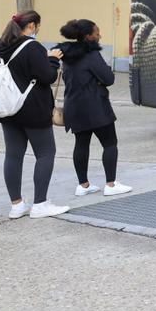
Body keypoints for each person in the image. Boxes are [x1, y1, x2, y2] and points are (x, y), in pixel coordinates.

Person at [0, 11, 68, 219]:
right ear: (32, 26)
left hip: (9, 110)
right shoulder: (33, 48)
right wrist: (51, 59)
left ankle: (16, 205)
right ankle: (40, 204)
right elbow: (48, 76)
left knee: (13, 155)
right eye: (38, 26)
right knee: (45, 153)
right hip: (34, 110)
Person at [57, 19, 131, 197]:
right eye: (97, 33)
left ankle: (83, 185)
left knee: (81, 144)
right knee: (110, 143)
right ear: (88, 36)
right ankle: (111, 185)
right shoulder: (91, 55)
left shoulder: (66, 54)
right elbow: (109, 79)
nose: (100, 36)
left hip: (74, 107)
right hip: (95, 106)